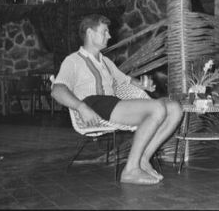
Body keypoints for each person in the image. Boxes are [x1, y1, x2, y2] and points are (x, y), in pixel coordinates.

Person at [51, 14, 183, 185]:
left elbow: (125, 80)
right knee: (157, 108)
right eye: (105, 32)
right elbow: (57, 90)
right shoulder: (73, 60)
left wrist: (143, 84)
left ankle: (143, 158)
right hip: (94, 104)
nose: (110, 36)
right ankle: (130, 170)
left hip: (113, 104)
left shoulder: (105, 61)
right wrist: (81, 107)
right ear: (90, 33)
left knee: (174, 108)